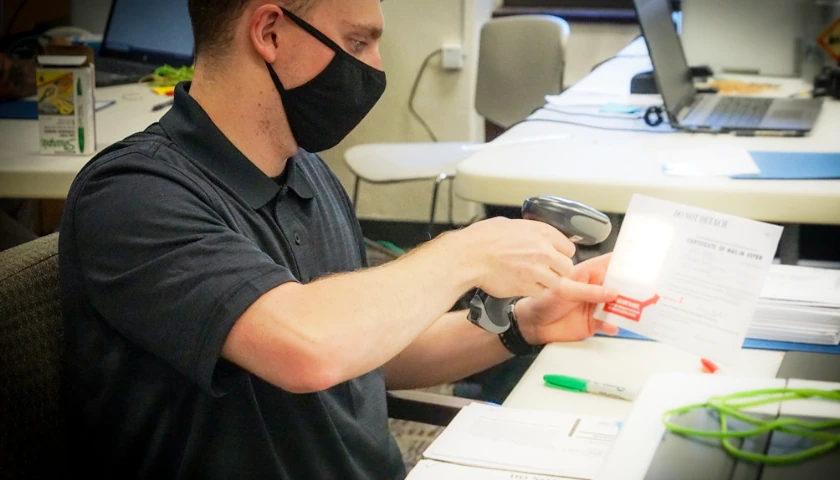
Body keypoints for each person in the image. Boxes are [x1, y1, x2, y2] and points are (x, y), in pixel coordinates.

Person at [58, 0, 620, 478]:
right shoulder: (133, 196)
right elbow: (310, 350)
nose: (375, 68)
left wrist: (525, 323)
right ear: (270, 33)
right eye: (357, 41)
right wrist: (466, 251)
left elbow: (372, 352)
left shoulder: (307, 173)